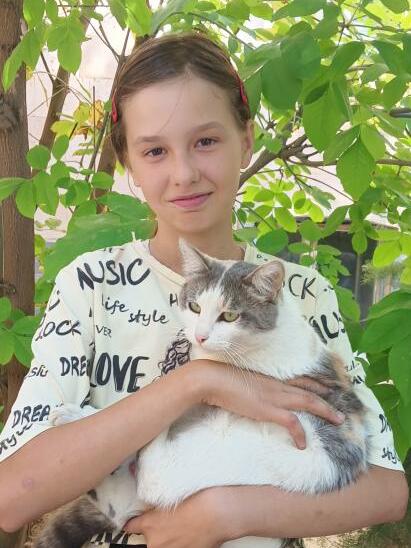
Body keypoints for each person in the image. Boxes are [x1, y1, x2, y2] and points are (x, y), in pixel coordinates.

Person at [0, 31, 407, 548]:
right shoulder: (90, 286)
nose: (184, 173)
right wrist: (197, 382)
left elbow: (387, 489)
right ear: (127, 163)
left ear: (247, 140)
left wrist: (227, 513)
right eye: (155, 151)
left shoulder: (304, 294)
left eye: (206, 142)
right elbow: (11, 497)